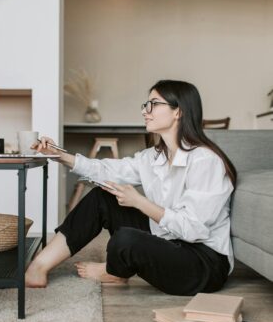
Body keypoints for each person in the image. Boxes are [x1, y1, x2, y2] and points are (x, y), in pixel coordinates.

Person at [25, 80, 237, 296]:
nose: (146, 111)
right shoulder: (153, 157)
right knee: (102, 197)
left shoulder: (205, 161)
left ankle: (114, 271)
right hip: (169, 239)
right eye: (146, 105)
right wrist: (60, 156)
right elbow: (105, 170)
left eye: (154, 104)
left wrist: (139, 202)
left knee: (126, 240)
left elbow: (193, 230)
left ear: (178, 112)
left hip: (203, 262)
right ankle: (39, 265)